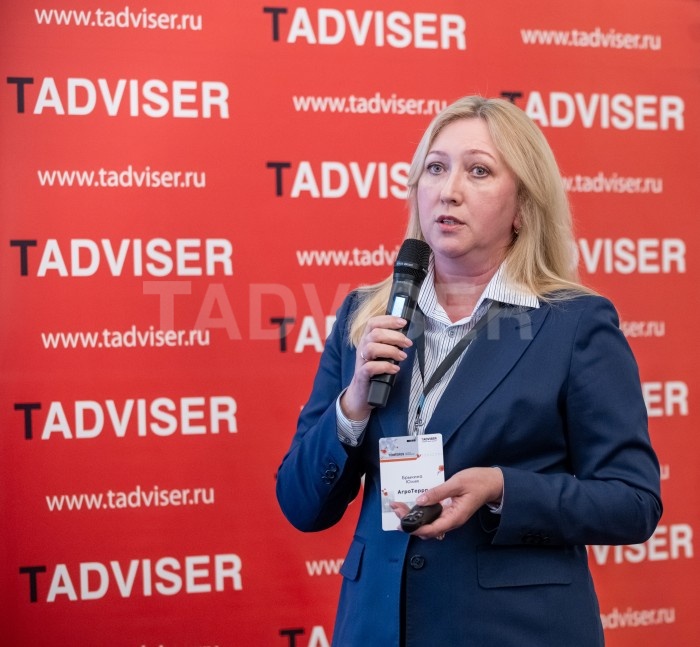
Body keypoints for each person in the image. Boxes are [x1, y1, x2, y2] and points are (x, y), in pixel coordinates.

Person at [276, 95, 662, 646]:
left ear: (523, 205)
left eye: (478, 171)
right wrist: (353, 405)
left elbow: (632, 503)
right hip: (376, 627)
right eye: (436, 168)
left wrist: (503, 488)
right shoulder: (366, 317)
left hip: (515, 631)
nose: (449, 190)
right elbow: (301, 505)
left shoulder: (574, 324)